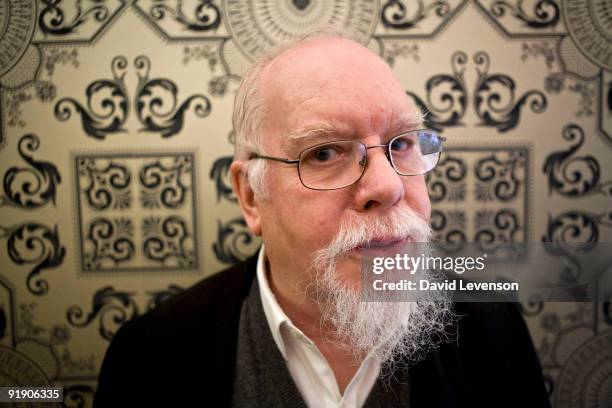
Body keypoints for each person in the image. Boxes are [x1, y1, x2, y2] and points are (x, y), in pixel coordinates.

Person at [94, 27, 550, 407]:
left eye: (403, 143)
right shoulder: (153, 355)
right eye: (325, 152)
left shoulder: (492, 325)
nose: (388, 186)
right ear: (251, 196)